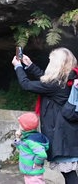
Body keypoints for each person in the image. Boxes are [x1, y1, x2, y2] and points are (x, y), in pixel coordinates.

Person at [12, 47, 78, 184]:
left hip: (62, 136)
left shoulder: (56, 84)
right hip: (68, 132)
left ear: (56, 64)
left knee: (69, 174)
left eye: (51, 60)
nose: (49, 62)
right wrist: (30, 65)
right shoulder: (68, 78)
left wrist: (18, 66)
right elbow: (46, 81)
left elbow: (27, 85)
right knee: (69, 173)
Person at [13, 112, 49, 184]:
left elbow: (42, 155)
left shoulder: (31, 140)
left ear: (25, 126)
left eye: (20, 124)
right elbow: (22, 147)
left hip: (33, 173)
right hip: (29, 172)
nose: (19, 125)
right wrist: (17, 138)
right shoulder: (28, 138)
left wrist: (37, 163)